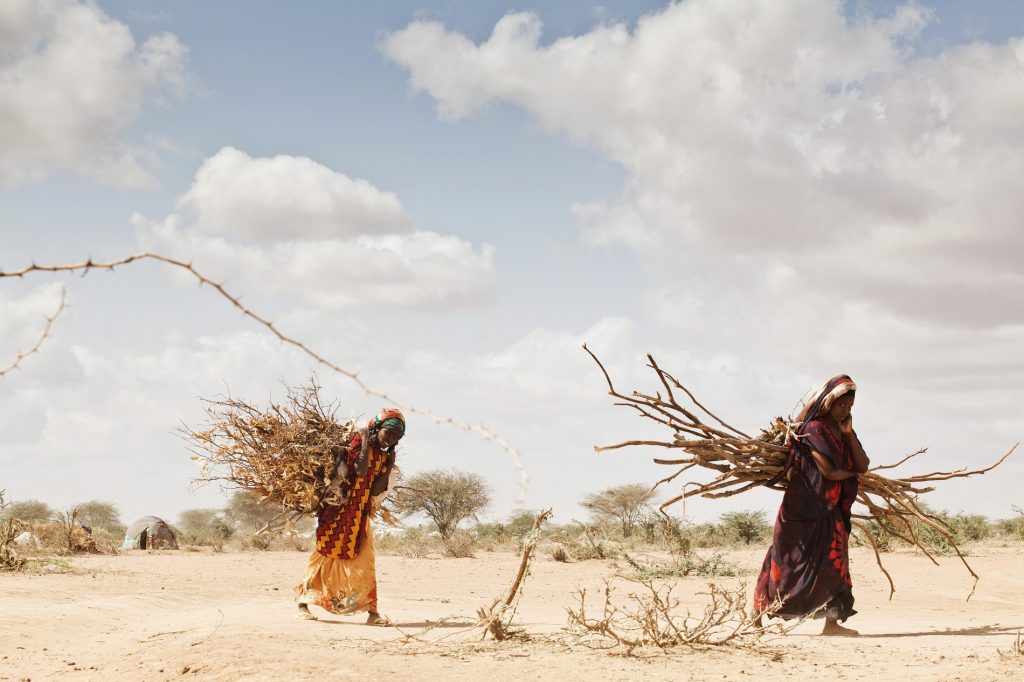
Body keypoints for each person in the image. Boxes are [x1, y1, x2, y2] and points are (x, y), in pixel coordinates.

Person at [753, 375, 870, 635]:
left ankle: (831, 624)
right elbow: (829, 472)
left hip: (831, 511)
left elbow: (863, 464)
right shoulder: (813, 429)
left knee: (834, 565)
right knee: (784, 563)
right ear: (827, 403)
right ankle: (756, 614)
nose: (846, 411)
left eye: (850, 407)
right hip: (802, 508)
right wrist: (851, 476)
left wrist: (849, 436)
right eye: (842, 406)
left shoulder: (844, 431)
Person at [295, 408, 404, 624]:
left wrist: (389, 464)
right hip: (338, 510)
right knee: (325, 554)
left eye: (395, 437)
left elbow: (375, 491)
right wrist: (364, 442)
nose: (389, 439)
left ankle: (372, 612)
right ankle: (303, 601)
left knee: (365, 560)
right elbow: (361, 470)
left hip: (360, 514)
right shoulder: (356, 442)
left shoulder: (384, 456)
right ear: (376, 429)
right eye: (388, 434)